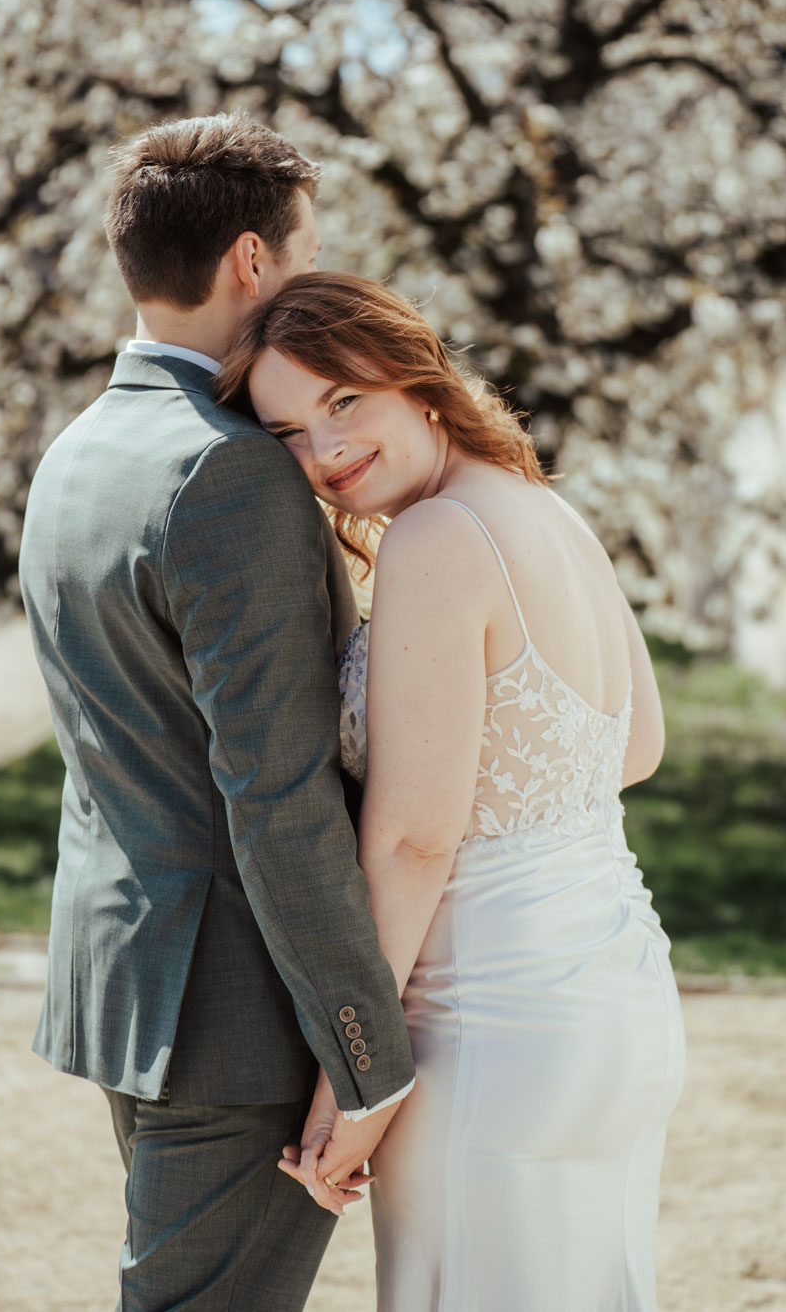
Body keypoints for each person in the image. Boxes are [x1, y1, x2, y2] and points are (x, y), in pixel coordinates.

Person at [219, 272, 687, 1311]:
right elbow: (635, 746)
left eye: (342, 402)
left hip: (493, 1025)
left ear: (413, 378)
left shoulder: (436, 540)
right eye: (286, 432)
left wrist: (359, 1080)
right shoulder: (544, 508)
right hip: (616, 997)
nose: (324, 451)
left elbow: (413, 844)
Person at [19, 117, 414, 1312]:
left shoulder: (81, 449)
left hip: (125, 982)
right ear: (251, 261)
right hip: (233, 1019)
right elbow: (275, 790)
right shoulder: (229, 468)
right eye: (303, 255)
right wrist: (366, 1053)